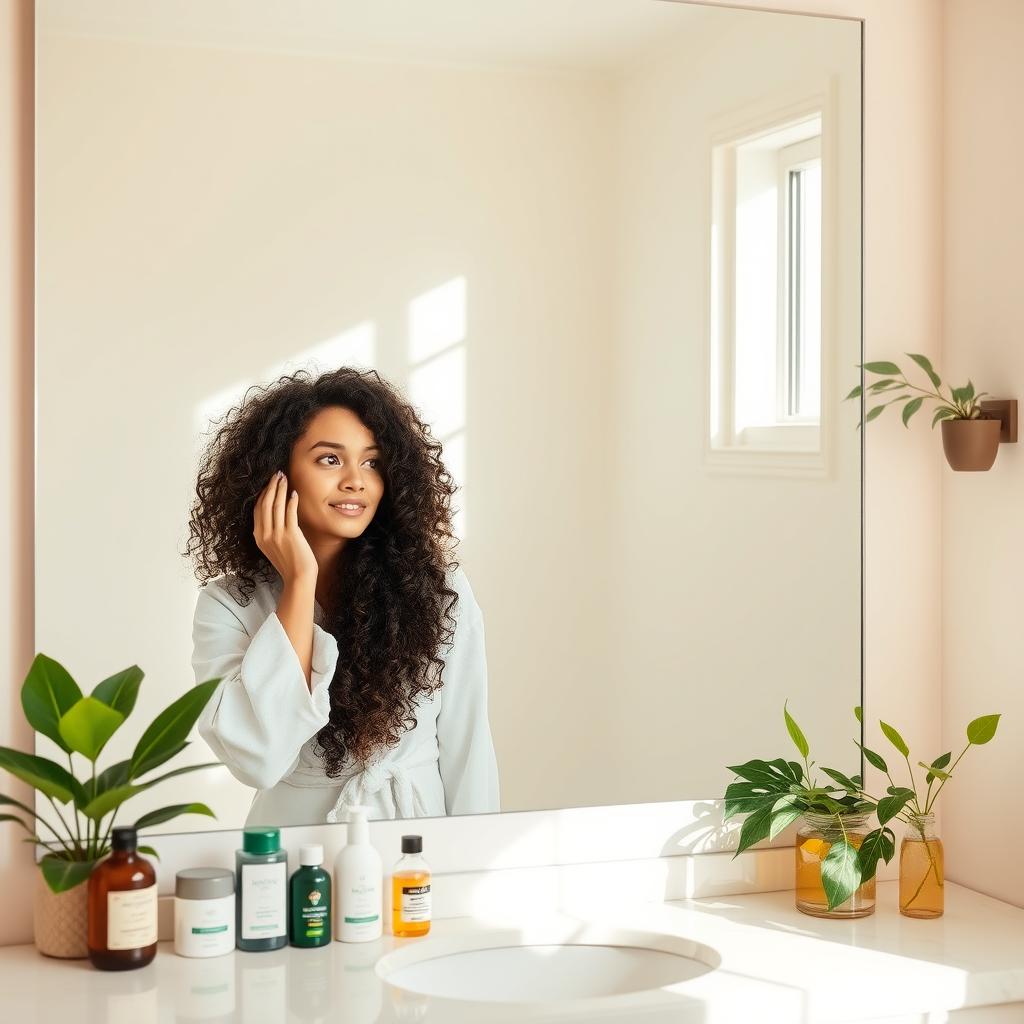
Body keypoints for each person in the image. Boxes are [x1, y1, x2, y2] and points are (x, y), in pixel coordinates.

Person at [183, 365, 500, 826]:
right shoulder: (228, 604)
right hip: (293, 852)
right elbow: (259, 758)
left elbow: (469, 751)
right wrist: (299, 581)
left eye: (371, 462)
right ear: (277, 474)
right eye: (330, 459)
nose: (356, 480)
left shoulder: (439, 591)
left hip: (413, 850)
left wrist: (472, 867)